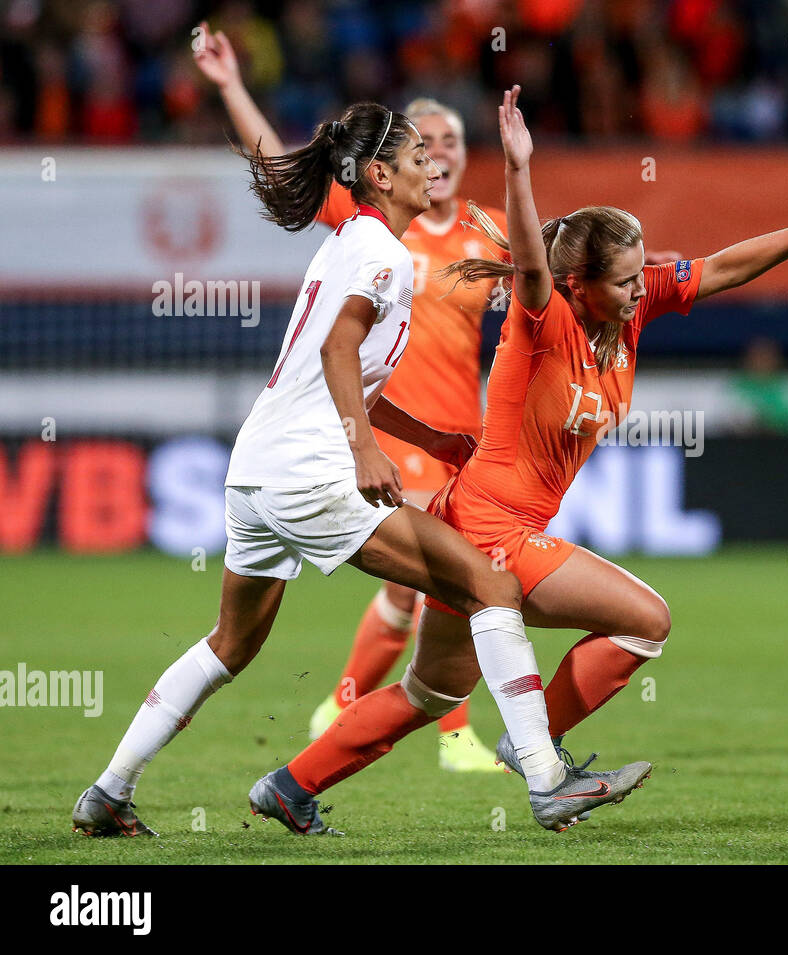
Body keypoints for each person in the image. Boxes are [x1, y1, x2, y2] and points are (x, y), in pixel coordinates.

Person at [253, 86, 788, 828]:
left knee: (430, 695)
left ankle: (288, 784)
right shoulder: (543, 317)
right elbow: (529, 261)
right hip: (493, 526)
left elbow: (721, 268)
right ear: (577, 284)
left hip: (476, 518)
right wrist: (520, 172)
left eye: (638, 276)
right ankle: (539, 752)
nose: (638, 288)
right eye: (623, 280)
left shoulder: (634, 308)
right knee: (645, 620)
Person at [71, 99, 650, 838]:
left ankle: (110, 789)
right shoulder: (382, 254)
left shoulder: (350, 241)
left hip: (255, 469)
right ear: (379, 174)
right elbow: (337, 351)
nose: (431, 167)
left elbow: (347, 373)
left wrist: (428, 437)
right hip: (313, 471)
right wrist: (363, 448)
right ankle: (545, 775)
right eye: (416, 159)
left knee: (231, 643)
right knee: (491, 582)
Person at [191, 22, 681, 770]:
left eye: (449, 139)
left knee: (439, 611)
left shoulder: (485, 240)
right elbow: (285, 165)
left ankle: (375, 723)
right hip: (388, 436)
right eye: (425, 143)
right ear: (390, 167)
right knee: (444, 591)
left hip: (460, 438)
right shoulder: (374, 230)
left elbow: (544, 266)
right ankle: (469, 737)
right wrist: (229, 86)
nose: (440, 151)